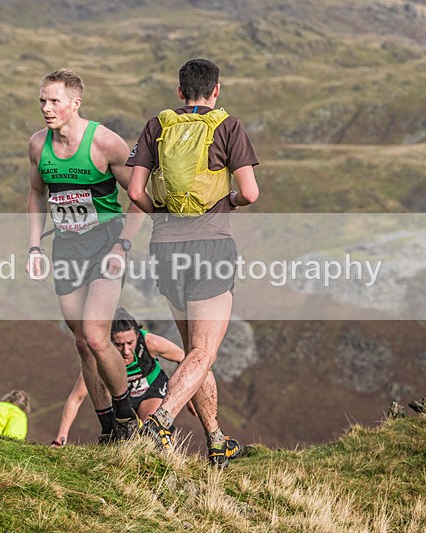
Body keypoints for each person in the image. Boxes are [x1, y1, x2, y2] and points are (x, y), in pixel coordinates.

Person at [127, 58, 259, 467]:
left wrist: (161, 216)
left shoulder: (157, 125)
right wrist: (229, 203)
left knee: (192, 352)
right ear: (216, 90)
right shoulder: (228, 126)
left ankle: (216, 439)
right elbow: (250, 193)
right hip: (210, 249)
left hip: (165, 250)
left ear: (180, 91)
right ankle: (161, 421)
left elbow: (134, 191)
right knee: (203, 352)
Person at [25, 68, 144, 443]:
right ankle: (108, 426)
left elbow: (141, 198)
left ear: (75, 103)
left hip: (104, 244)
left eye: (54, 100)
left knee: (96, 336)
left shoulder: (106, 143)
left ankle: (127, 418)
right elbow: (36, 195)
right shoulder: (37, 145)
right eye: (42, 100)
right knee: (81, 341)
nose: (46, 107)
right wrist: (33, 246)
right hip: (66, 247)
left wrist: (122, 245)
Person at [53, 307, 196, 445]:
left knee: (152, 432)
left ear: (137, 335)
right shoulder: (98, 359)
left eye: (130, 343)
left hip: (151, 391)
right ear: (107, 342)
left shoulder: (150, 342)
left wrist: (187, 396)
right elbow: (76, 398)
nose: (126, 351)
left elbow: (184, 358)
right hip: (122, 400)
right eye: (119, 344)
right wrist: (61, 438)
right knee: (124, 441)